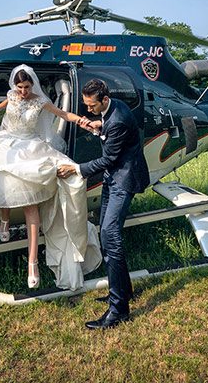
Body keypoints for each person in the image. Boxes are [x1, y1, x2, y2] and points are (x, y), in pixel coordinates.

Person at [0, 65, 101, 289]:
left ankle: (33, 263)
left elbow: (62, 114)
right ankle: (4, 219)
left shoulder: (39, 101)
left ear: (32, 84)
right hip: (7, 143)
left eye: (26, 87)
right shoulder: (11, 95)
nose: (22, 92)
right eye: (19, 87)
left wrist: (81, 120)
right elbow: (1, 108)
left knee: (31, 205)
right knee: (2, 178)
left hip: (30, 145)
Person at [58, 78, 150, 330]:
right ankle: (124, 291)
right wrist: (99, 126)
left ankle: (119, 310)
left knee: (111, 237)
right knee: (107, 234)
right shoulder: (113, 109)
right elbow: (110, 128)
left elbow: (109, 159)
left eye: (91, 106)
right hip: (114, 178)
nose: (88, 110)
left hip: (123, 179)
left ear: (104, 100)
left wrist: (76, 168)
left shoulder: (118, 119)